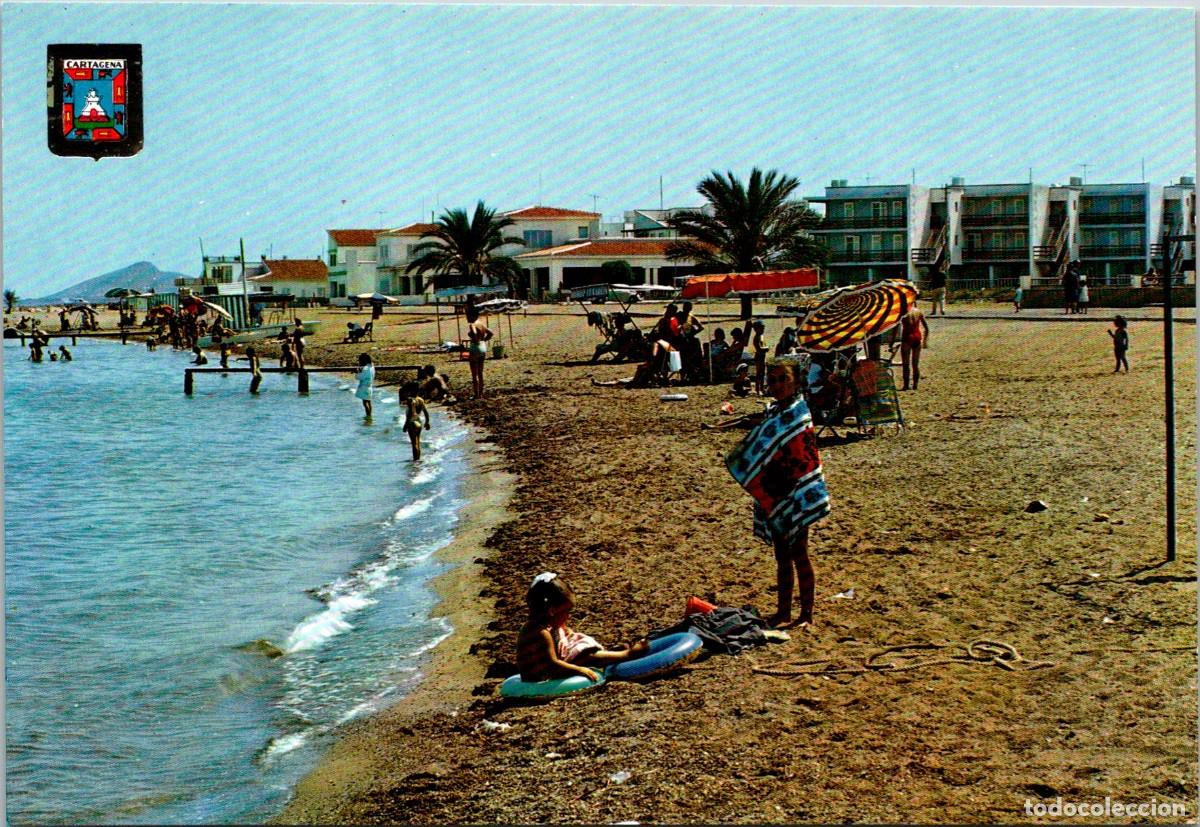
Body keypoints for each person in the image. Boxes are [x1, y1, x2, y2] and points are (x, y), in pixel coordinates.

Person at [734, 360, 831, 629]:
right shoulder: (774, 412)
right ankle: (783, 612)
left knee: (800, 553)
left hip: (797, 492)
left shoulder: (800, 414)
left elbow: (805, 456)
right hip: (775, 493)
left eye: (781, 379)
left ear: (795, 382)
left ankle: (807, 613)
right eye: (772, 380)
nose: (776, 385)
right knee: (781, 556)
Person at [515, 572, 648, 683]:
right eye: (566, 612)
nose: (567, 616)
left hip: (548, 668)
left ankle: (606, 654)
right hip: (542, 677)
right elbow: (552, 664)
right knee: (587, 657)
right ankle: (627, 655)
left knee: (577, 643)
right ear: (552, 611)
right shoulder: (541, 633)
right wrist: (580, 670)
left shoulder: (543, 625)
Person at [465, 306, 493, 399]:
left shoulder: (472, 324)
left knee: (474, 374)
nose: (467, 318)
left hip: (475, 348)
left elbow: (473, 332)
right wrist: (483, 340)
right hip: (482, 347)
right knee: (480, 373)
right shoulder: (481, 324)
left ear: (472, 315)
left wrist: (474, 338)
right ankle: (481, 394)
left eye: (468, 315)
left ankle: (476, 395)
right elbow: (491, 333)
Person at [399, 380, 431, 460]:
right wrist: (427, 422)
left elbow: (411, 413)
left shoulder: (410, 400)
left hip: (412, 422)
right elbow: (426, 413)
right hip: (419, 422)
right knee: (418, 443)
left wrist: (405, 425)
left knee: (414, 444)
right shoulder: (421, 400)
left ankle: (415, 462)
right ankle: (418, 461)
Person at [899, 306, 929, 391]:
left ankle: (906, 385)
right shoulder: (918, 311)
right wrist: (925, 341)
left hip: (907, 337)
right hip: (917, 337)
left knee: (906, 364)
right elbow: (926, 328)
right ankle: (915, 385)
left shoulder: (903, 312)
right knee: (915, 364)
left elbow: (896, 327)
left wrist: (892, 341)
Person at [751, 320, 769, 395]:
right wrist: (766, 348)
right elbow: (759, 348)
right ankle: (757, 389)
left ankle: (761, 388)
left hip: (762, 356)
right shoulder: (756, 338)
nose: (763, 330)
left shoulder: (761, 337)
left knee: (762, 373)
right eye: (761, 328)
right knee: (759, 373)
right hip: (759, 357)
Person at [354, 352, 375, 418]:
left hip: (364, 386)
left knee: (365, 403)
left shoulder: (366, 368)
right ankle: (370, 415)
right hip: (370, 386)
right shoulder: (372, 366)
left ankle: (368, 416)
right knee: (369, 402)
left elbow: (360, 377)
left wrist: (357, 372)